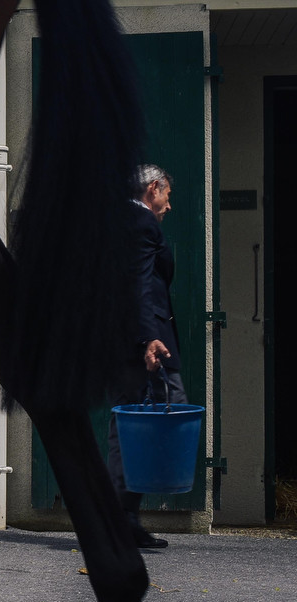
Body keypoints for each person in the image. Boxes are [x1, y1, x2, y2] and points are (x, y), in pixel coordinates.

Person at [106, 164, 182, 551]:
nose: (168, 205)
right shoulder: (141, 223)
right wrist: (149, 339)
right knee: (161, 414)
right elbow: (138, 282)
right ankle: (121, 519)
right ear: (153, 188)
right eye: (167, 195)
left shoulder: (120, 221)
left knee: (129, 424)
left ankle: (122, 520)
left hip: (130, 340)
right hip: (145, 343)